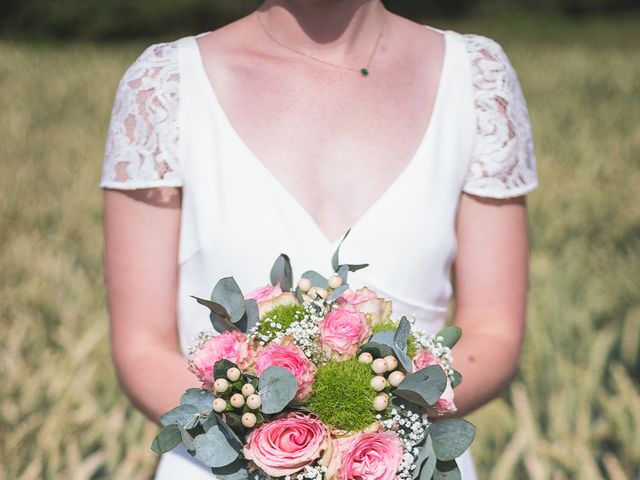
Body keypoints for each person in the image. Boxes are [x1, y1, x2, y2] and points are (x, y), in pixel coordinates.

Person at [100, 0, 538, 478]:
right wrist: (281, 447)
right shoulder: (165, 84)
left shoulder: (475, 78)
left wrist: (372, 437)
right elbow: (142, 345)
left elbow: (493, 331)